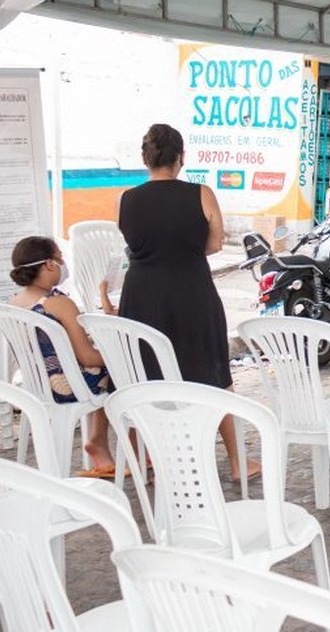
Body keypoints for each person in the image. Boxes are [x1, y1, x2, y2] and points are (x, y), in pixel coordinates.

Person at [118, 124, 258, 482]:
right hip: (191, 291)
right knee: (213, 373)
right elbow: (214, 245)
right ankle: (238, 462)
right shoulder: (201, 194)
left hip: (141, 294)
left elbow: (133, 242)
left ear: (144, 158)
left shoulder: (128, 199)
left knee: (142, 373)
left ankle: (141, 459)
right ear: (181, 157)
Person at [8, 236, 115, 477]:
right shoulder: (59, 303)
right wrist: (117, 356)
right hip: (68, 388)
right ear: (48, 264)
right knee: (118, 370)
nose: (63, 263)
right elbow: (88, 358)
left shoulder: (14, 303)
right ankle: (105, 444)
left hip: (38, 385)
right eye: (60, 258)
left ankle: (98, 443)